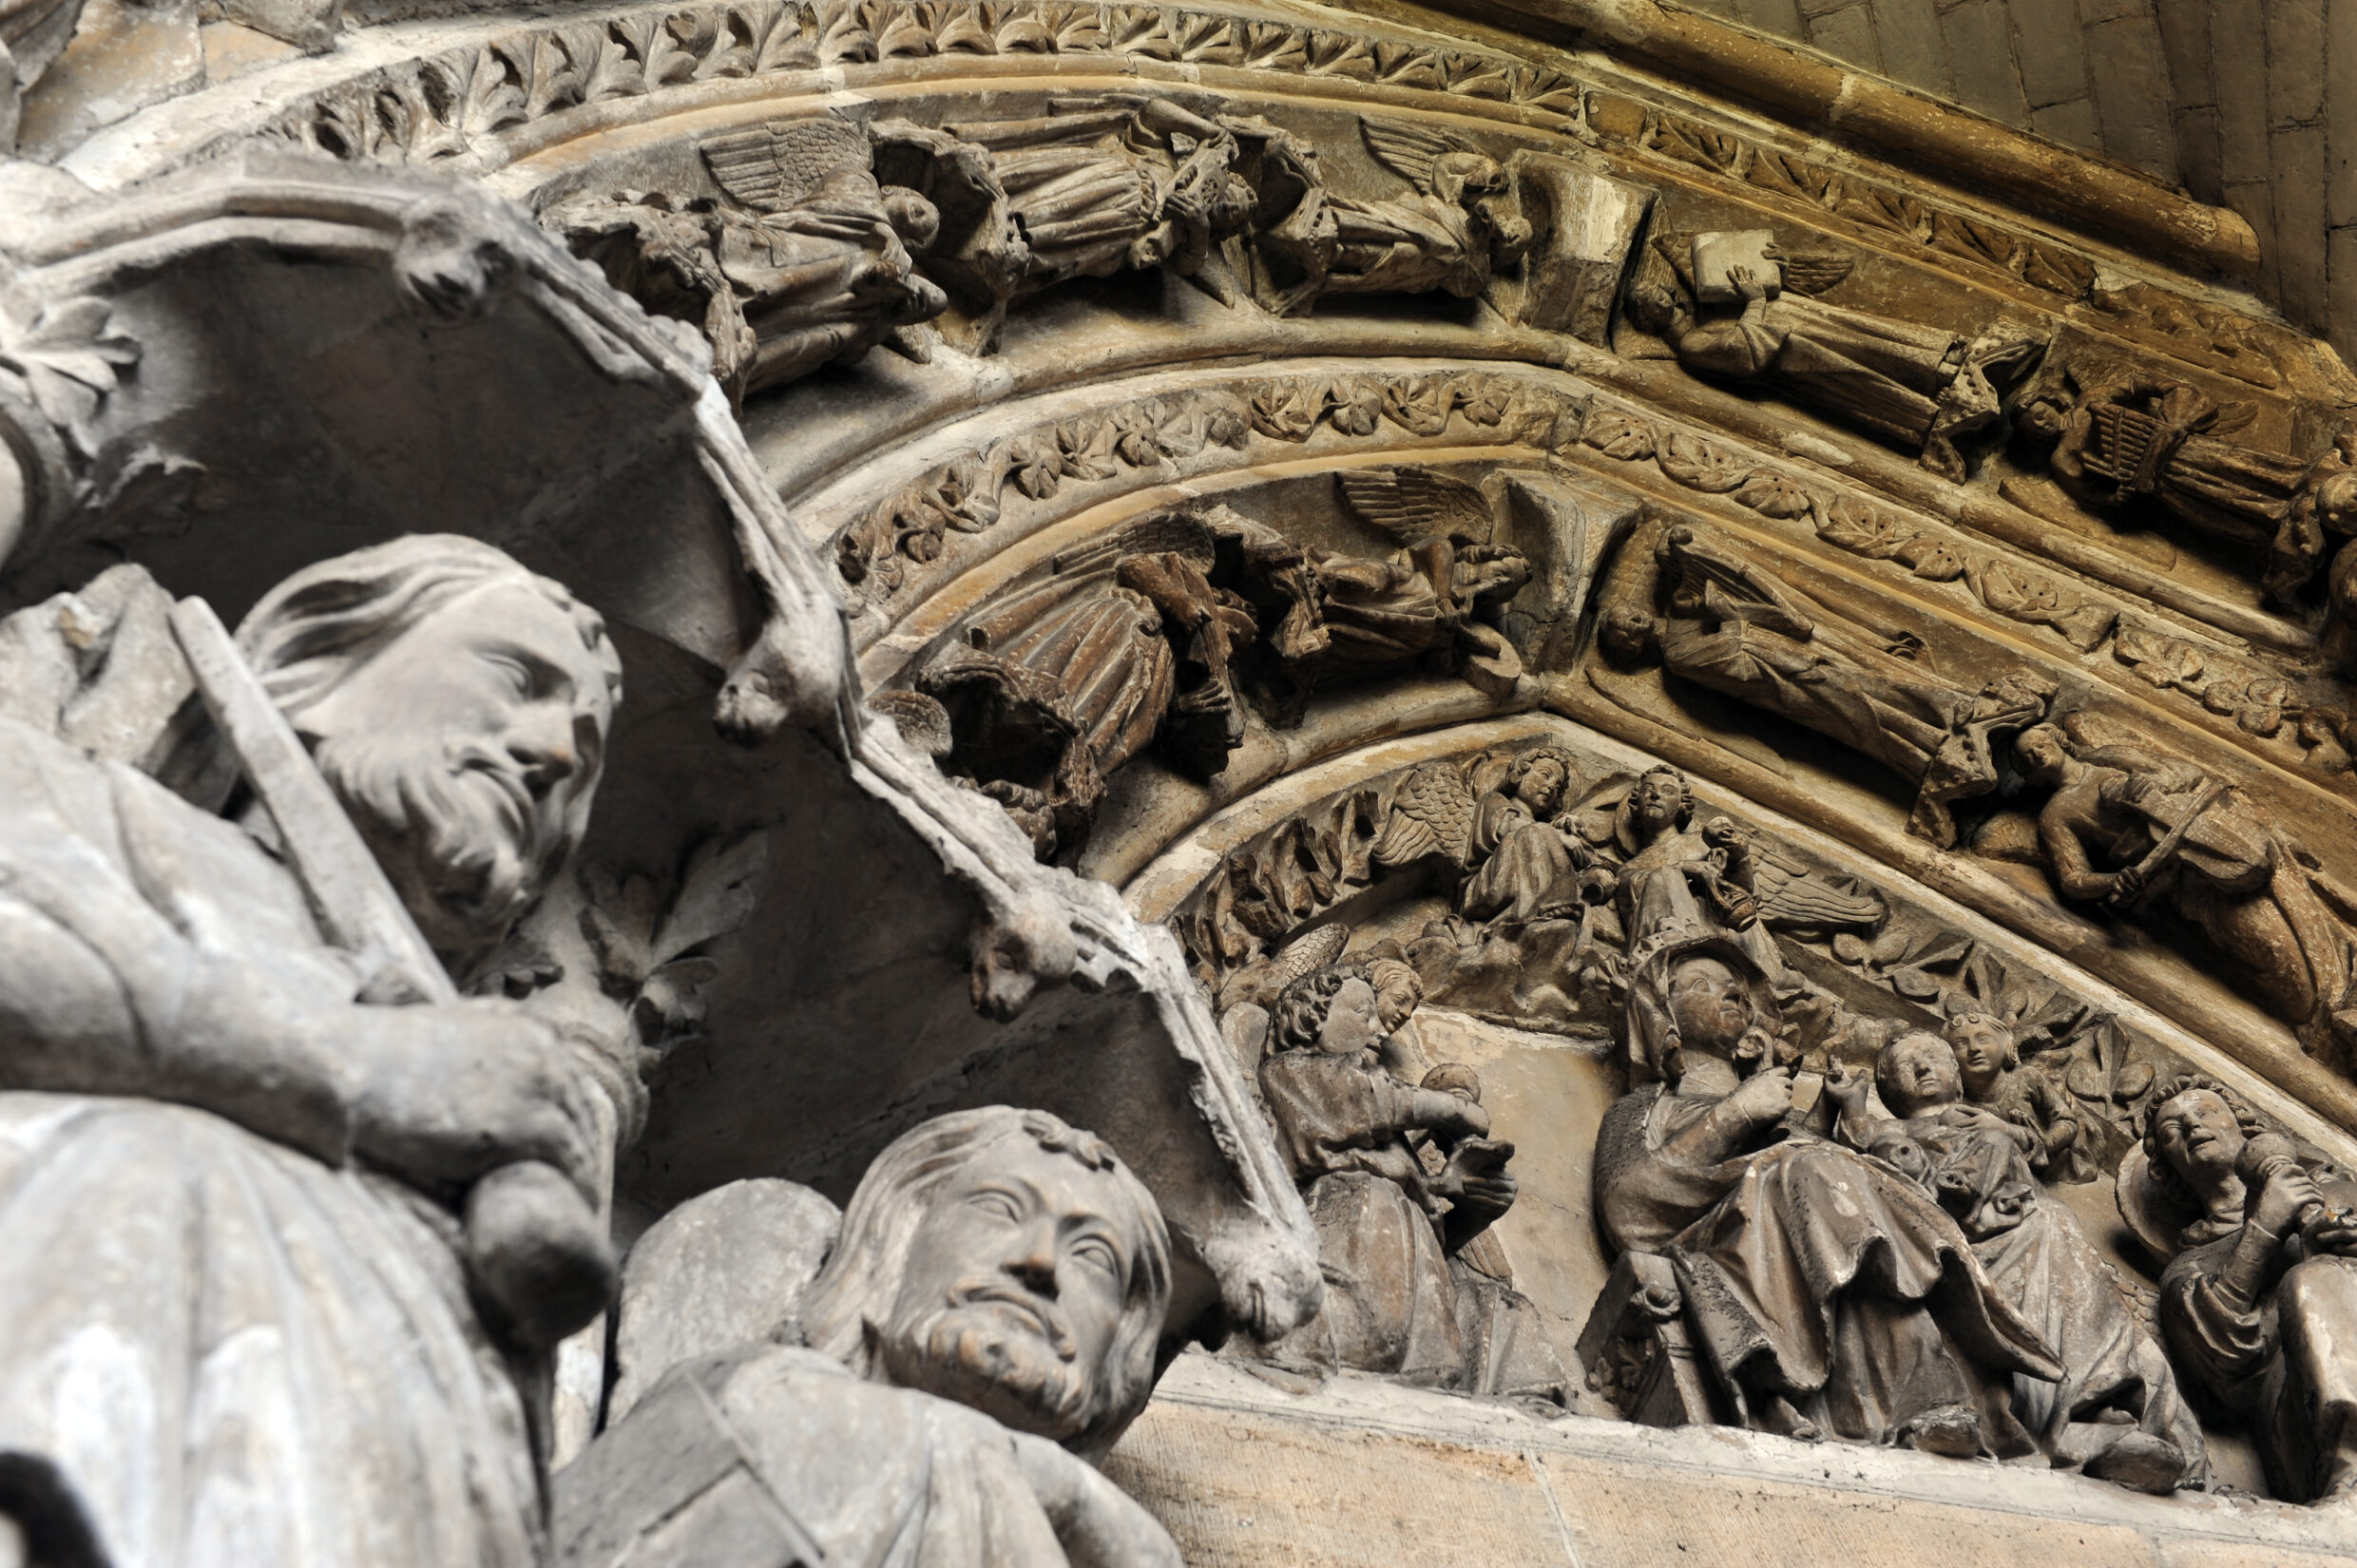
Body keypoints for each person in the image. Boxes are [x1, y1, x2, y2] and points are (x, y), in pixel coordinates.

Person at [0, 538, 623, 1568]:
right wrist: (357, 1070)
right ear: (313, 661)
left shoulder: (479, 1058)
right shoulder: (86, 801)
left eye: (585, 758)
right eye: (518, 679)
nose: (552, 752)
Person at [556, 1107, 1180, 1568]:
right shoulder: (755, 1392)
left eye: (1093, 1257)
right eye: (1001, 1210)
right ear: (898, 1243)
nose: (1040, 1262)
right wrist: (1052, 1483)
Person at [1597, 941, 2065, 1456]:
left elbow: (1801, 1152)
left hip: (1818, 1214)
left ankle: (1931, 1398)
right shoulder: (1644, 1107)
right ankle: (1848, 1391)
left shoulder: (1784, 1120)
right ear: (1660, 1016)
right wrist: (1736, 1113)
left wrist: (1831, 1112)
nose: (1729, 992)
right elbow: (1629, 1206)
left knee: (1849, 1184)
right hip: (1729, 1235)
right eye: (1700, 986)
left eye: (1735, 987)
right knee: (1822, 1174)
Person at [1824, 1035, 2203, 1492]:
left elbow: (2038, 1143)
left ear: (1959, 1080)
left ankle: (2095, 1414)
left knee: (2055, 1222)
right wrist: (1852, 1106)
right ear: (1888, 1089)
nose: (1923, 1068)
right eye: (1906, 1065)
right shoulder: (1893, 1132)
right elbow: (1862, 1158)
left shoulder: (1989, 1126)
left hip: (2018, 1224)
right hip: (1937, 1234)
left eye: (1933, 1058)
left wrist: (2005, 1134)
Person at [2016, 722, 2357, 1063]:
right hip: (2181, 881)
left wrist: (2156, 785)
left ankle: (2345, 996)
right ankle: (2318, 1020)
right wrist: (2114, 879)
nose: (2037, 754)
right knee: (2271, 948)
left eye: (2040, 744)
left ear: (2058, 741)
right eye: (2027, 757)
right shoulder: (2056, 814)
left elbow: (2184, 771)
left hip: (2214, 833)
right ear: (2029, 773)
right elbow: (2073, 878)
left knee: (2303, 906)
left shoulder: (2108, 758)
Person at [1256, 963, 1519, 1385]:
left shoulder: (1384, 1141)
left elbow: (1428, 1228)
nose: (1379, 1028)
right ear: (1312, 1018)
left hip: (1407, 1269)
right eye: (1364, 1014)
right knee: (1377, 1330)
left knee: (1488, 1329)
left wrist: (1470, 1207)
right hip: (1347, 1231)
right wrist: (1457, 1109)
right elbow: (1369, 1097)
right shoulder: (1291, 1073)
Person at [2141, 1076, 2357, 1503]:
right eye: (2172, 1130)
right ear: (2168, 1169)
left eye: (2205, 1112)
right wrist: (2265, 1226)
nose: (2192, 1127)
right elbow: (2226, 1366)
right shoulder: (2190, 1270)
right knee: (2309, 1280)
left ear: (2244, 1126)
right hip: (2302, 1412)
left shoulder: (2339, 1191)